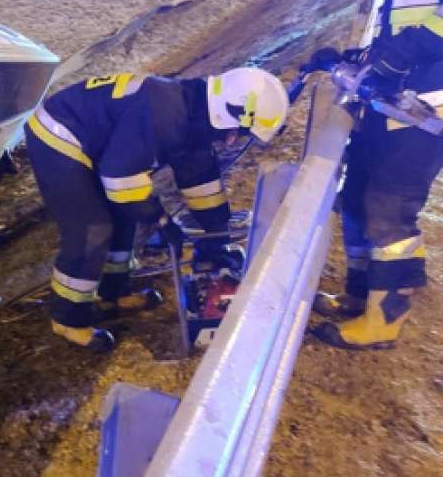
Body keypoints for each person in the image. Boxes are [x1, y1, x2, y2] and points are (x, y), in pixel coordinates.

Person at [24, 68, 289, 352]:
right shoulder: (164, 115)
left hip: (92, 137)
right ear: (228, 112)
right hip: (60, 134)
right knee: (92, 227)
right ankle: (68, 319)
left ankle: (113, 294)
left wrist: (217, 238)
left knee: (124, 217)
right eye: (240, 131)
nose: (234, 140)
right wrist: (161, 222)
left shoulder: (195, 115)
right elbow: (120, 179)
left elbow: (202, 184)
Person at [305, 0, 443, 349]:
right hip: (397, 105)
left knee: (389, 204)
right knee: (359, 194)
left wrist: (409, 48)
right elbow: (397, 40)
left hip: (428, 112)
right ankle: (360, 295)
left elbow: (418, 39)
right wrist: (360, 58)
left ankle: (384, 320)